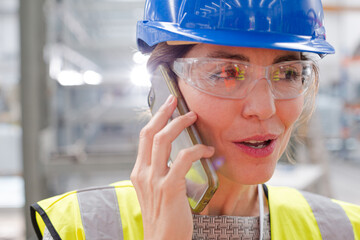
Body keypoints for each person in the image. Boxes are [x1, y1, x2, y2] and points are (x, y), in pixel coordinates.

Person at [31, 0, 360, 239]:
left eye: (288, 73)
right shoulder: (83, 226)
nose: (264, 108)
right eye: (227, 72)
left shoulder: (342, 228)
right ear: (163, 85)